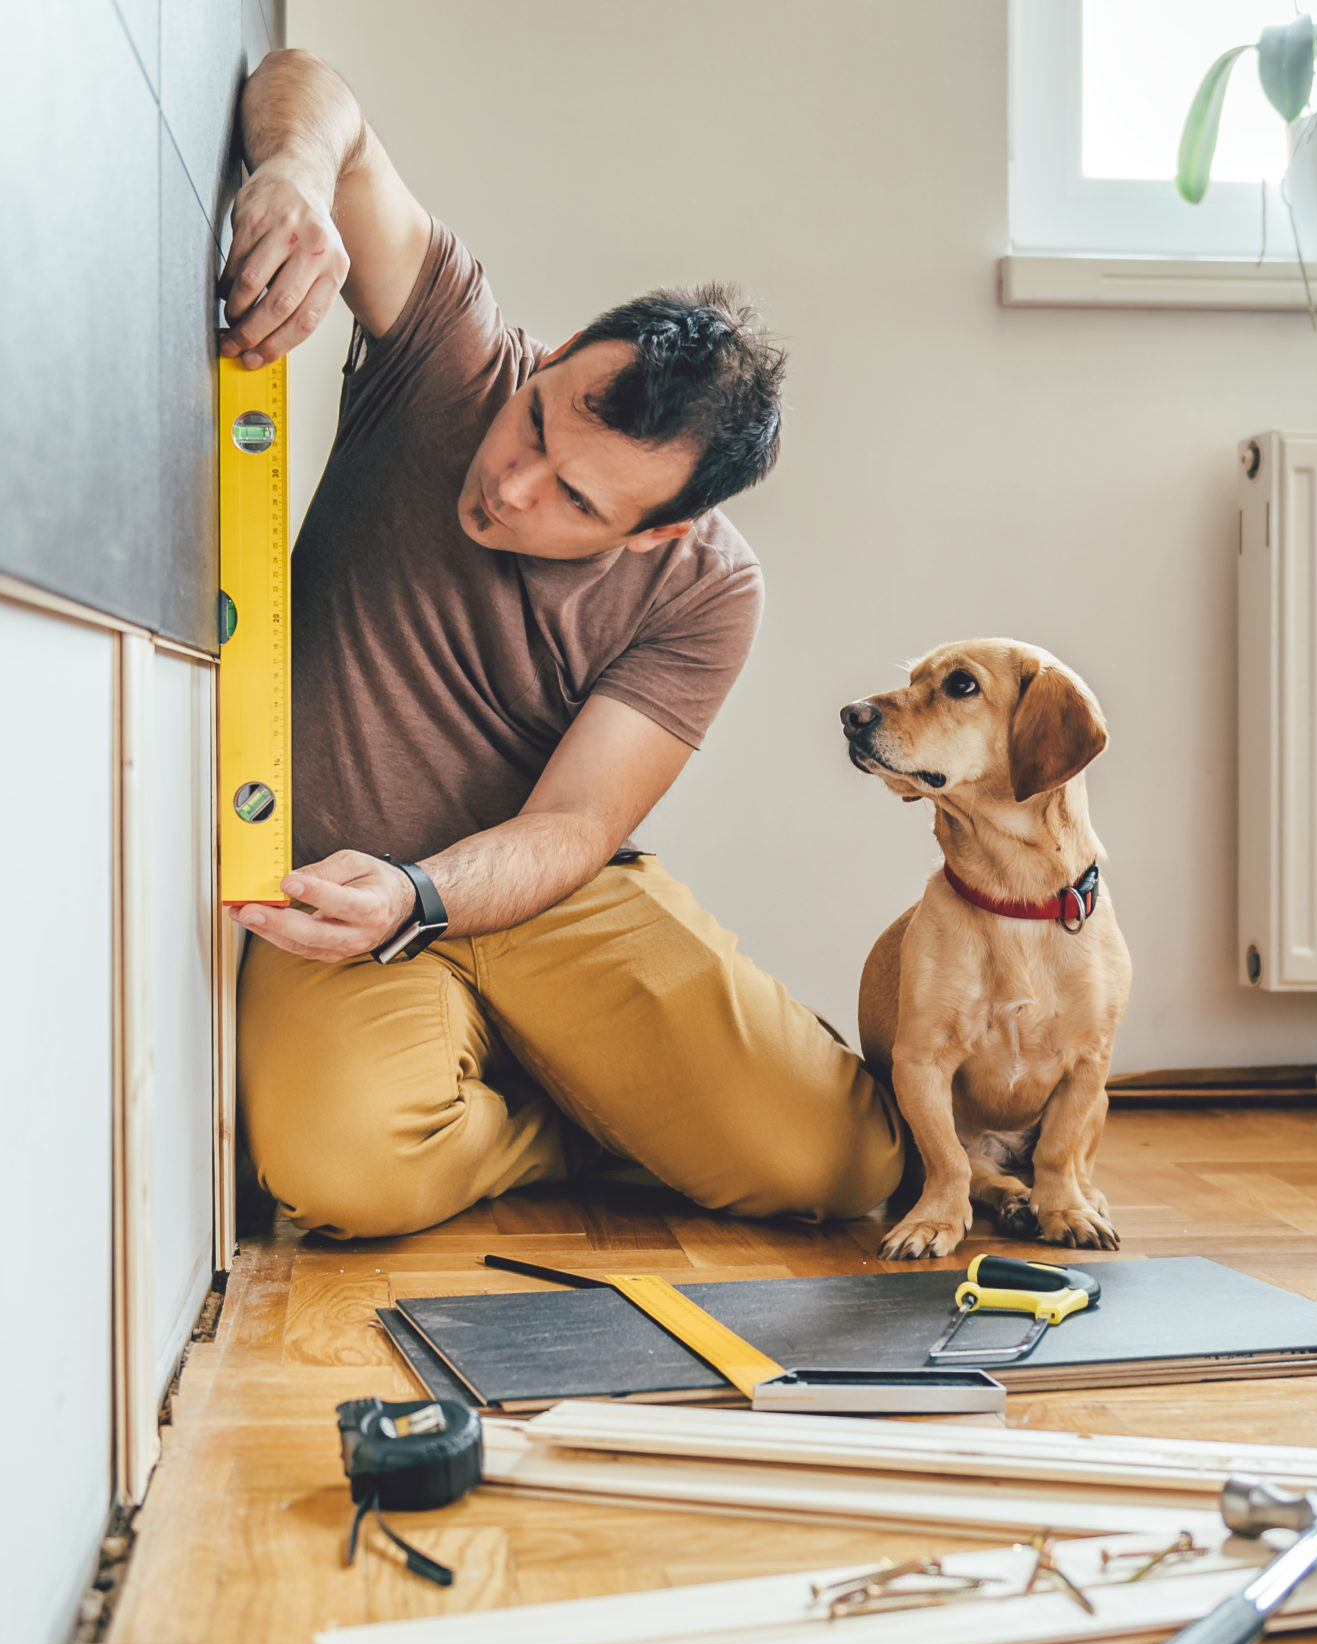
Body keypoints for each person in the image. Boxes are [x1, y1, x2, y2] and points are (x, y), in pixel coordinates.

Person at [218, 49, 901, 1239]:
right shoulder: (453, 357)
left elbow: (578, 824)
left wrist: (427, 891)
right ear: (553, 356)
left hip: (531, 888)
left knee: (841, 1164)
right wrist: (294, 167)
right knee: (343, 1176)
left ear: (658, 532)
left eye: (577, 502)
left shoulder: (707, 589)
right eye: (538, 419)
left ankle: (591, 1089)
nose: (511, 485)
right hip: (328, 888)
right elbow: (313, 88)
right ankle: (574, 1118)